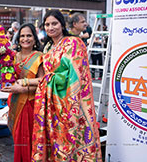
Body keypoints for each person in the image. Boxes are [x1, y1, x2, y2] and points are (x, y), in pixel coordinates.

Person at [31, 10, 102, 161]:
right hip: (52, 104)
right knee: (56, 142)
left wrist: (46, 81)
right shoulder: (47, 48)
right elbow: (46, 75)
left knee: (75, 139)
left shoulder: (74, 43)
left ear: (62, 25)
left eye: (54, 23)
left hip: (72, 103)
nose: (51, 27)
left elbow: (76, 75)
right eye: (47, 24)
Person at [2, 23, 44, 162]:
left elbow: (43, 81)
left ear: (35, 38)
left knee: (29, 142)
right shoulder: (12, 56)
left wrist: (23, 87)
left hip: (31, 104)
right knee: (18, 141)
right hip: (15, 102)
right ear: (18, 38)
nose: (25, 39)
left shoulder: (39, 57)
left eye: (29, 35)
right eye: (22, 36)